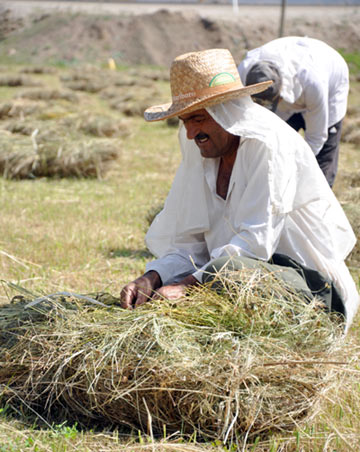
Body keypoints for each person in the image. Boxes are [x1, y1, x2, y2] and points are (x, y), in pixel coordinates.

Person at [120, 48, 359, 333]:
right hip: (232, 287)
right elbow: (189, 245)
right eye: (185, 121)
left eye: (198, 118)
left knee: (232, 271)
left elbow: (254, 245)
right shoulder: (204, 155)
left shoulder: (268, 147)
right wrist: (152, 278)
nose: (190, 133)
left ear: (226, 111)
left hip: (311, 297)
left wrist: (187, 287)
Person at [237, 36, 349, 188]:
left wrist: (296, 169)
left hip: (329, 82)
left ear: (281, 92)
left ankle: (320, 204)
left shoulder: (313, 82)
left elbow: (316, 138)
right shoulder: (244, 72)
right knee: (273, 144)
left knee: (323, 160)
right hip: (290, 97)